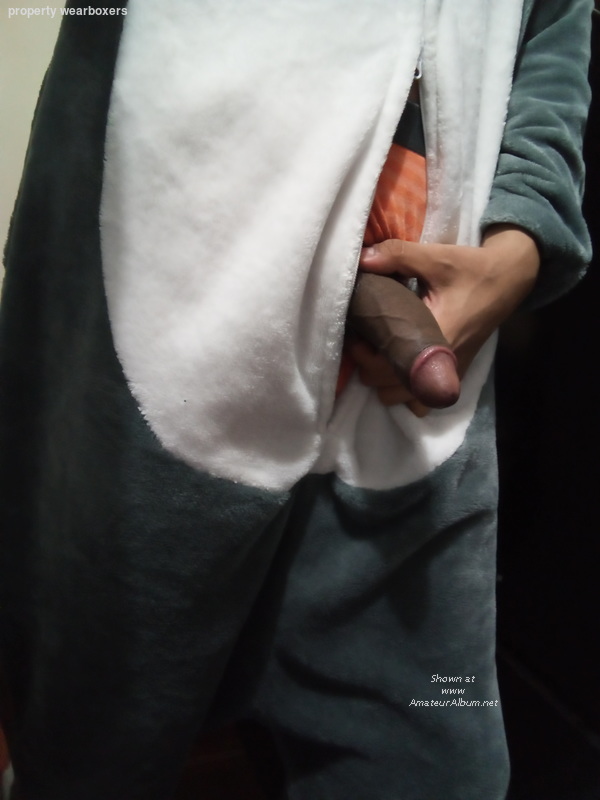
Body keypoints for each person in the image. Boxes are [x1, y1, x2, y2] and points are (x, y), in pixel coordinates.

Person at [0, 1, 592, 798]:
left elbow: (558, 33)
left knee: (442, 765)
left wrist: (523, 235)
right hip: (169, 312)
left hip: (424, 375)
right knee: (88, 754)